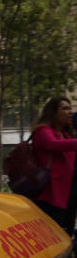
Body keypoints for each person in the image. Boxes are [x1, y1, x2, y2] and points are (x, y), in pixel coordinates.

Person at [31, 97, 77, 235]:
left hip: (68, 195)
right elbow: (53, 144)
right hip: (51, 195)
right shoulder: (43, 131)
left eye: (70, 108)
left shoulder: (66, 135)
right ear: (53, 113)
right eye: (65, 108)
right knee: (52, 235)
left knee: (67, 233)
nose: (70, 112)